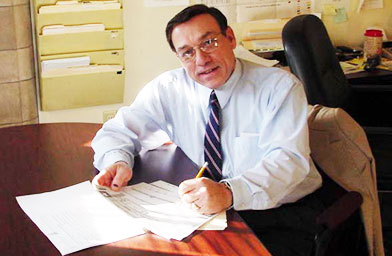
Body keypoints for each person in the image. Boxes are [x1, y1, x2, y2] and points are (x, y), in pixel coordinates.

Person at [92, 4, 323, 255]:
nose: (201, 59)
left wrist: (228, 192)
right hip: (215, 211)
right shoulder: (170, 88)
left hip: (281, 211)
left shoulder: (279, 88)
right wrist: (117, 161)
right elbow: (117, 131)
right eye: (187, 53)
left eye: (209, 42)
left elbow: (288, 162)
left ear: (230, 38)